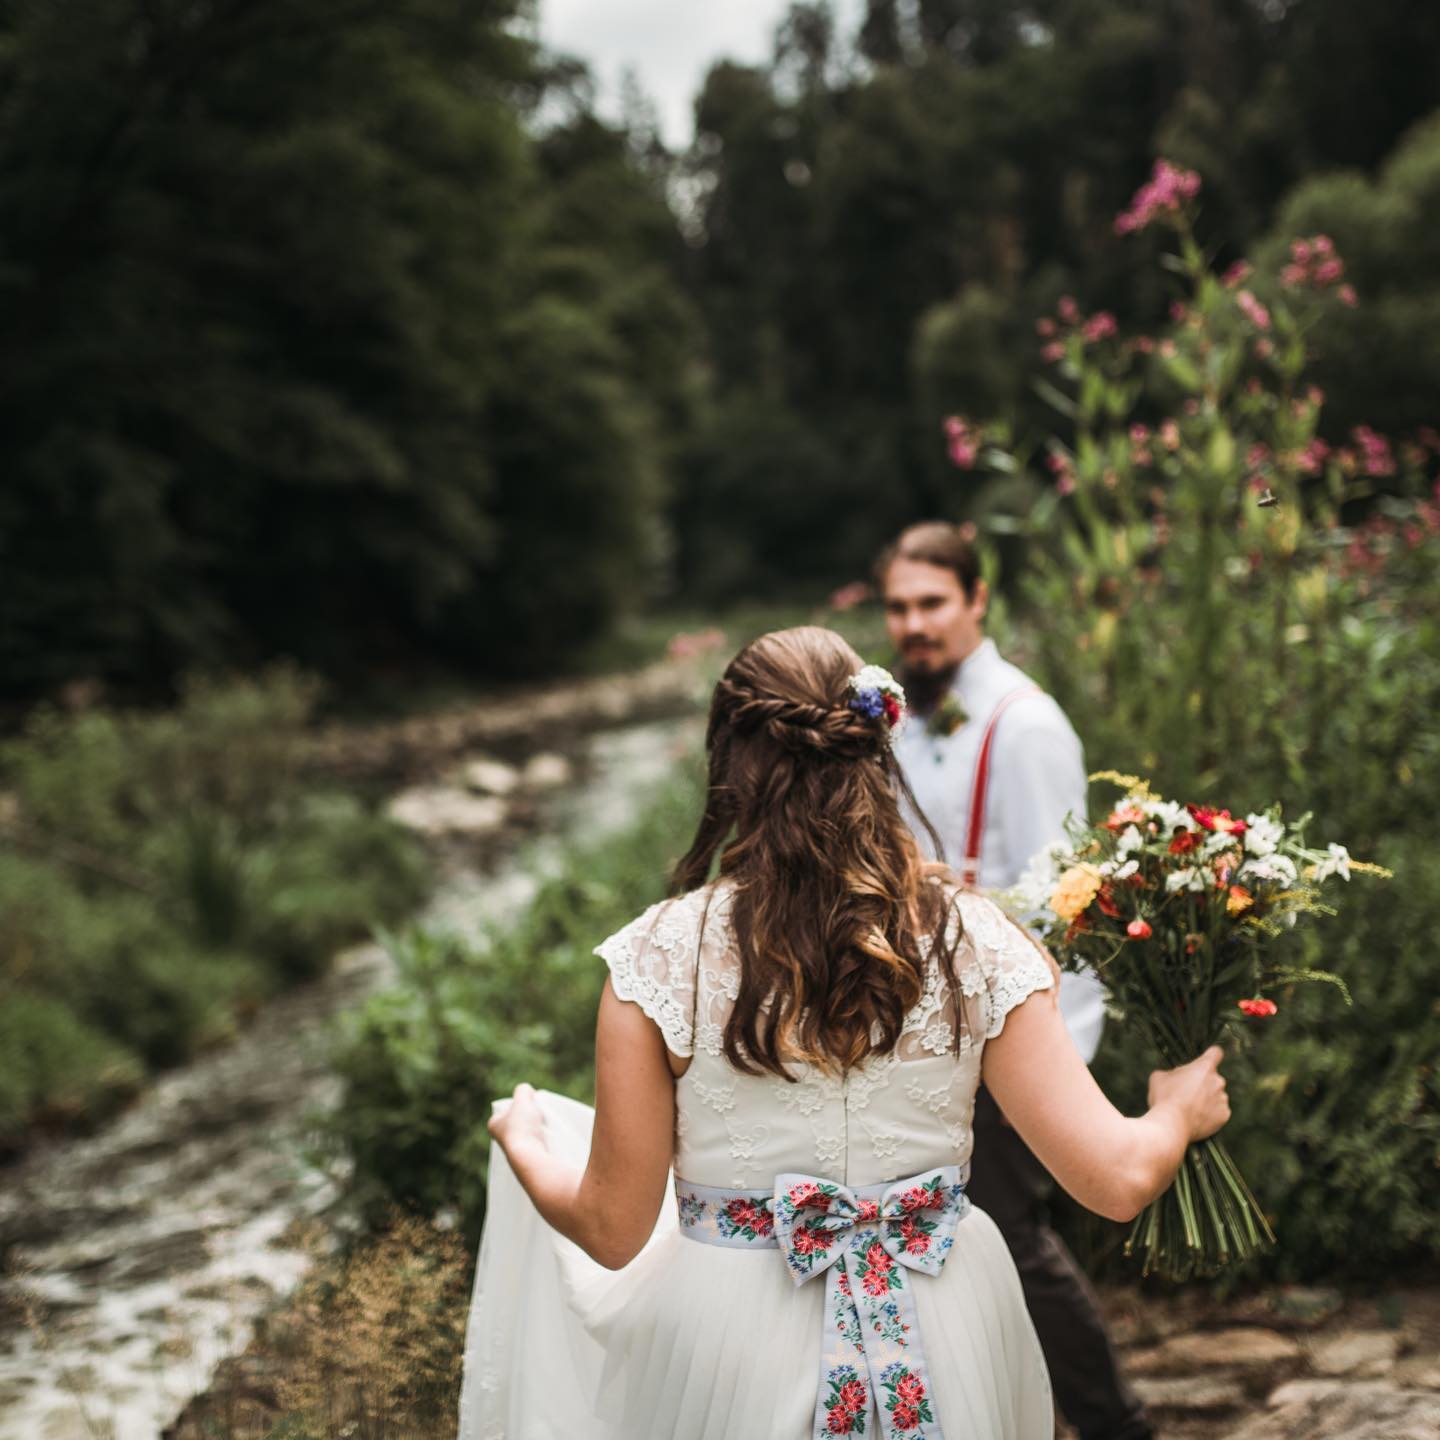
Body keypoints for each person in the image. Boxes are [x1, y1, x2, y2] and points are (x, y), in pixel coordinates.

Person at [465, 625, 1228, 1440]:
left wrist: (529, 1148)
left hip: (728, 1343)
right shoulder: (974, 941)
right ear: (876, 747)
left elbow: (614, 1232)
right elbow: (1114, 1179)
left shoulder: (658, 959)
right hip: (947, 1319)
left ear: (727, 767)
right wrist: (1177, 1111)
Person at [879, 521, 1151, 1440]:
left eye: (932, 603)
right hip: (916, 1031)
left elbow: (1065, 899)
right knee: (954, 1241)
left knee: (1010, 1242)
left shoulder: (1025, 725)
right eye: (899, 607)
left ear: (977, 601)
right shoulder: (901, 715)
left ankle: (1115, 1426)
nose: (914, 624)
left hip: (1004, 1037)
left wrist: (1054, 1056)